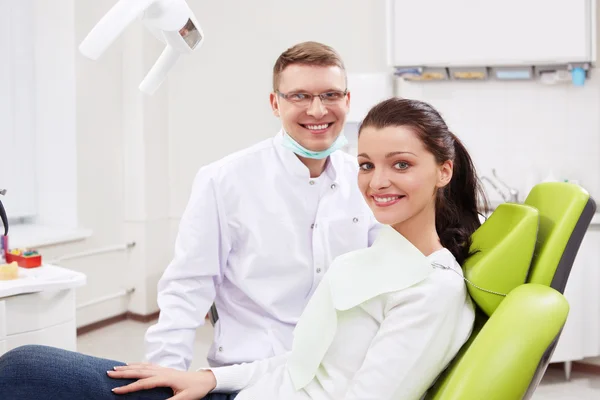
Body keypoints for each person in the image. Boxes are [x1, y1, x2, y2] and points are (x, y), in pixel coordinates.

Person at [0, 97, 487, 400]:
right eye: (365, 165)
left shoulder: (432, 291)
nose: (377, 182)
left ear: (443, 170)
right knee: (25, 365)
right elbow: (302, 361)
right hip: (249, 387)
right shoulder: (381, 256)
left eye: (400, 165)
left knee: (25, 372)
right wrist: (208, 378)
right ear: (275, 103)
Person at [144, 41, 381, 371]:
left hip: (338, 370)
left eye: (330, 95)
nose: (317, 110)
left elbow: (386, 272)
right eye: (300, 96)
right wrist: (165, 372)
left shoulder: (366, 179)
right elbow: (188, 286)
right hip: (251, 370)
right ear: (275, 103)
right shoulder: (224, 180)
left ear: (347, 101)